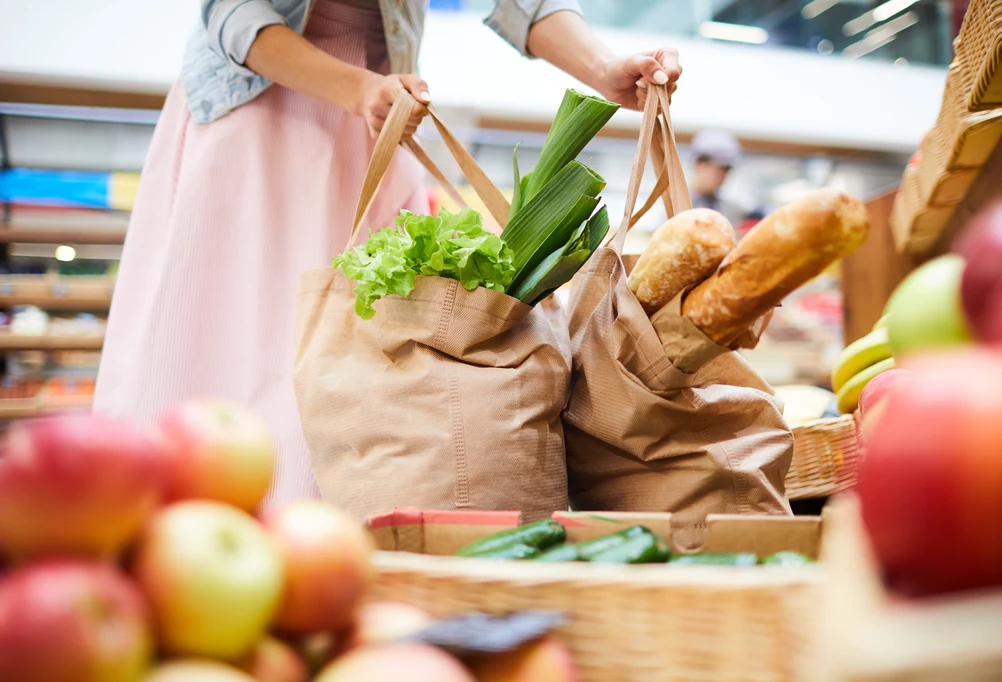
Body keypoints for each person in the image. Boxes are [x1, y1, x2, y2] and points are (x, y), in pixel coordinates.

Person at [93, 0, 683, 510]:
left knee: (369, 361)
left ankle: (327, 556)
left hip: (382, 108)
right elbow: (231, 12)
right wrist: (356, 88)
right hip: (263, 108)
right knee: (233, 349)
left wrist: (605, 70)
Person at [690, 128, 745, 228]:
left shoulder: (732, 210)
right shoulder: (671, 204)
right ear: (699, 164)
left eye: (727, 170)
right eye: (719, 168)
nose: (723, 175)